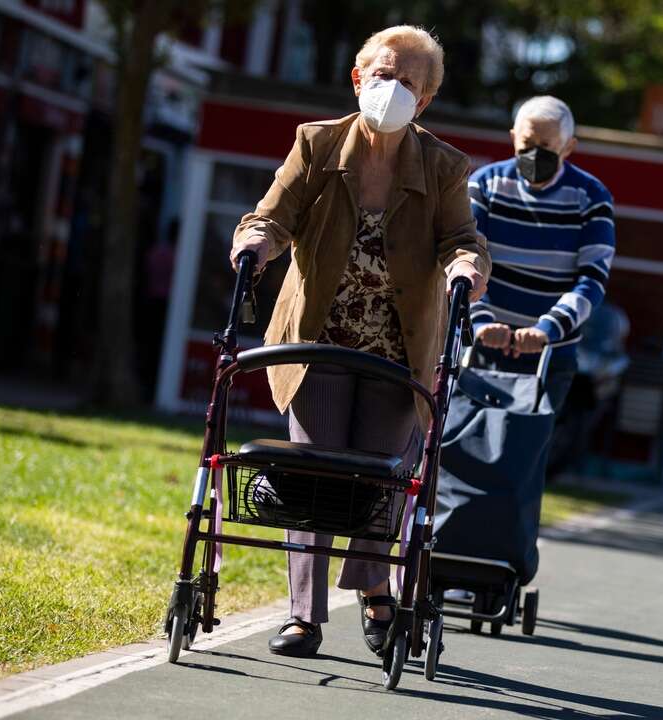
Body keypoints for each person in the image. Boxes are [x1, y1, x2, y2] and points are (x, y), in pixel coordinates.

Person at [228, 25, 489, 659]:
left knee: (378, 481)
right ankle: (303, 617)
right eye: (383, 74)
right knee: (313, 473)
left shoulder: (445, 166)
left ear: (424, 101)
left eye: (409, 84)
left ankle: (375, 593)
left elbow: (463, 239)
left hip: (398, 350)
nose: (392, 89)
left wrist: (465, 268)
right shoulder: (315, 144)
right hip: (314, 343)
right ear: (357, 76)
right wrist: (255, 244)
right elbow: (272, 214)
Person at [467, 96, 616, 414]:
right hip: (476, 347)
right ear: (512, 137)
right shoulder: (485, 184)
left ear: (569, 147)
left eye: (546, 145)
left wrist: (547, 329)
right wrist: (480, 321)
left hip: (549, 355)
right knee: (454, 451)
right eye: (527, 142)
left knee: (522, 455)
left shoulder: (591, 198)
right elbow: (464, 258)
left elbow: (592, 279)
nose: (535, 153)